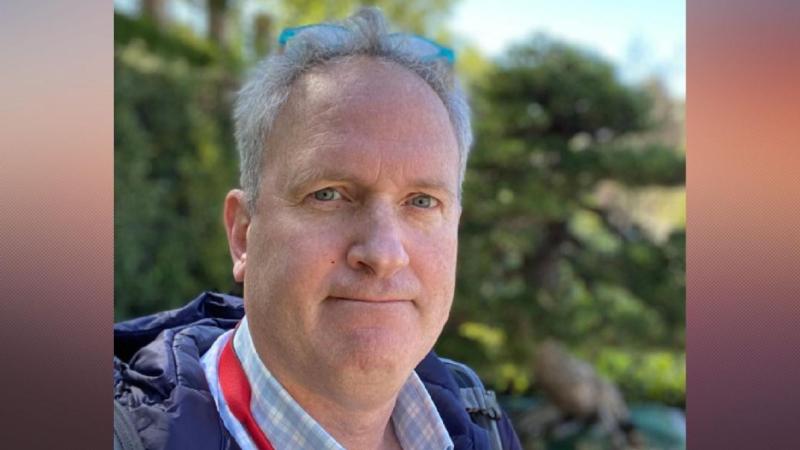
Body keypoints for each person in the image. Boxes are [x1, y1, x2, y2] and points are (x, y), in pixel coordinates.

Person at [113, 7, 522, 450]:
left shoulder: (482, 422)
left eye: (422, 202)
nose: (384, 254)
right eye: (328, 194)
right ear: (242, 233)